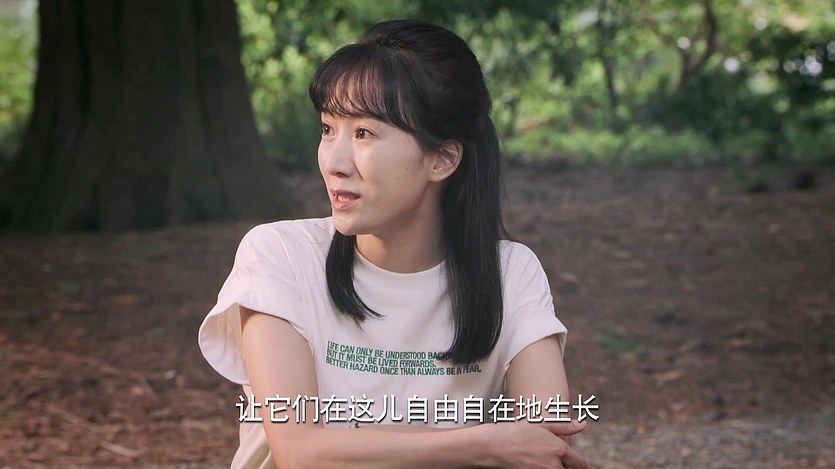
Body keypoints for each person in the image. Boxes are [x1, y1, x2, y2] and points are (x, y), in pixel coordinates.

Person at [198, 19, 590, 469]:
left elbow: (545, 444)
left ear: (442, 159)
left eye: (363, 133)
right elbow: (301, 452)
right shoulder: (279, 256)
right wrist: (484, 444)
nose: (335, 162)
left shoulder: (510, 274)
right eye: (328, 129)